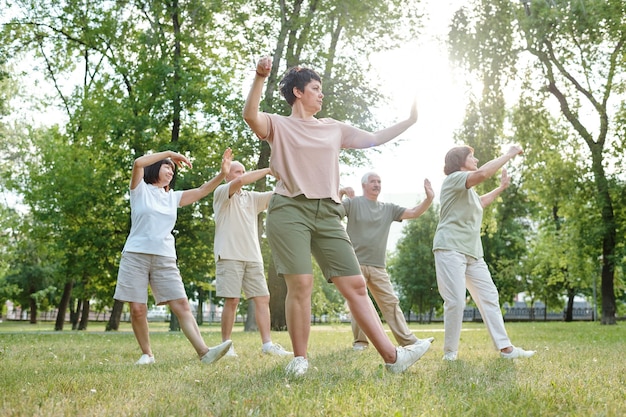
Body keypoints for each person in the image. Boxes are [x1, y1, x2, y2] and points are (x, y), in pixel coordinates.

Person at [242, 56, 431, 377]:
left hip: (329, 213)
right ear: (298, 93)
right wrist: (260, 77)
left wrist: (410, 120)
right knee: (301, 283)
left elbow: (374, 137)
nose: (321, 94)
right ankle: (299, 359)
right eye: (316, 89)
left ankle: (393, 358)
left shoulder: (334, 128)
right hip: (289, 209)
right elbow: (250, 116)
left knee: (356, 285)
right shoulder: (278, 124)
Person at [113, 149, 233, 365]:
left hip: (164, 257)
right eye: (166, 166)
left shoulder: (173, 197)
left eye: (172, 168)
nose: (170, 171)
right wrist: (168, 153)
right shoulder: (139, 189)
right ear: (155, 168)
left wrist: (222, 174)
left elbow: (202, 190)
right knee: (138, 309)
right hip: (135, 255)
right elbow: (138, 163)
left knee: (182, 305)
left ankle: (205, 353)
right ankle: (147, 354)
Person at [432, 145, 536, 361]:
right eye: (472, 156)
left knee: (489, 296)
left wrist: (501, 188)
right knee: (456, 301)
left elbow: (480, 203)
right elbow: (482, 174)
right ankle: (450, 353)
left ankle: (506, 349)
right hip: (450, 248)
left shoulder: (466, 190)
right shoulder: (454, 179)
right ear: (460, 161)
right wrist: (509, 154)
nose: (476, 159)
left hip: (472, 253)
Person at [339, 172, 435, 351]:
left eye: (379, 182)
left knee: (391, 302)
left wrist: (429, 199)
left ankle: (409, 342)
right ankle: (360, 342)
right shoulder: (353, 203)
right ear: (364, 185)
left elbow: (414, 212)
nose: (377, 184)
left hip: (378, 266)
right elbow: (331, 212)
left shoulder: (388, 208)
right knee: (359, 303)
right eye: (373, 181)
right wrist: (341, 192)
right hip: (354, 264)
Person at [213, 160, 292, 357]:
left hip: (253, 256)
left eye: (243, 171)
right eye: (236, 171)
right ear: (227, 175)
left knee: (263, 298)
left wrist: (287, 175)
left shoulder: (252, 198)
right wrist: (268, 169)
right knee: (232, 300)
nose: (241, 174)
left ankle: (267, 345)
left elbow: (278, 194)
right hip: (229, 254)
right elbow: (239, 183)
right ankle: (226, 345)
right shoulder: (222, 192)